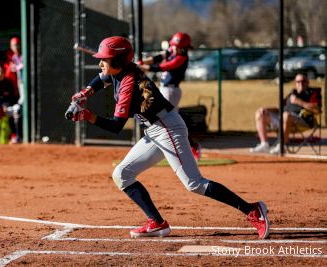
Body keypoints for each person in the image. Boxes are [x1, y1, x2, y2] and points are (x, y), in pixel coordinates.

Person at [68, 36, 270, 239]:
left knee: (194, 183)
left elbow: (115, 126)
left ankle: (252, 210)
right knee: (122, 174)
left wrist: (88, 115)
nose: (100, 62)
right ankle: (156, 222)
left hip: (167, 129)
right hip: (154, 130)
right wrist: (85, 92)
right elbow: (100, 78)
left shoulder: (129, 82)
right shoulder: (118, 71)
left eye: (105, 59)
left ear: (119, 61)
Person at [138, 32, 201, 160]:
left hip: (171, 91)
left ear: (184, 48)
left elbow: (161, 67)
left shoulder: (181, 58)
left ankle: (187, 146)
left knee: (163, 118)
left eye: (178, 47)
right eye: (174, 46)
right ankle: (190, 146)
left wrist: (141, 66)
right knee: (171, 120)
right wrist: (141, 62)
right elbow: (158, 58)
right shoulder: (173, 51)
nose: (175, 48)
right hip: (164, 89)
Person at [250, 73, 321, 154]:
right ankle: (264, 144)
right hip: (283, 119)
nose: (300, 83)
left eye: (303, 81)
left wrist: (299, 102)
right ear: (295, 83)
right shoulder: (292, 94)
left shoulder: (313, 93)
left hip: (303, 121)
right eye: (298, 81)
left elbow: (317, 109)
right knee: (260, 113)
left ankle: (281, 146)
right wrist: (266, 109)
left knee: (286, 115)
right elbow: (279, 108)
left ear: (308, 82)